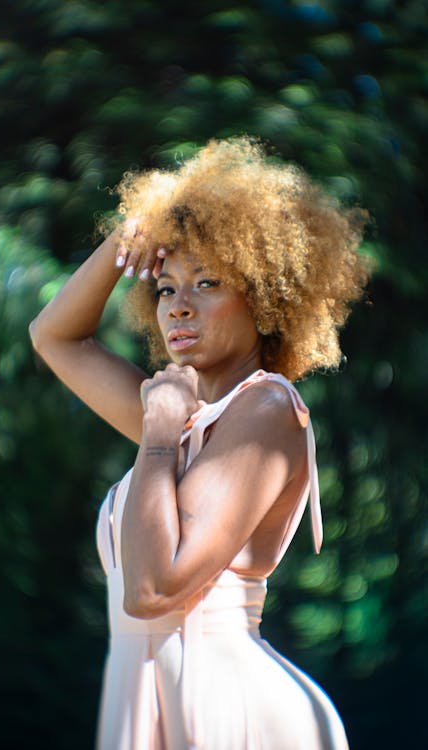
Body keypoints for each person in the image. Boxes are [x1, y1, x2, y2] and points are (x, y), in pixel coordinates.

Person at [29, 137, 371, 749]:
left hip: (224, 708)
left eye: (207, 282)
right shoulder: (189, 422)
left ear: (266, 300)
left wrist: (159, 430)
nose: (178, 308)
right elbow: (54, 336)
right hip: (147, 692)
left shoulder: (265, 408)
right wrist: (127, 240)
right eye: (164, 288)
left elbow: (153, 589)